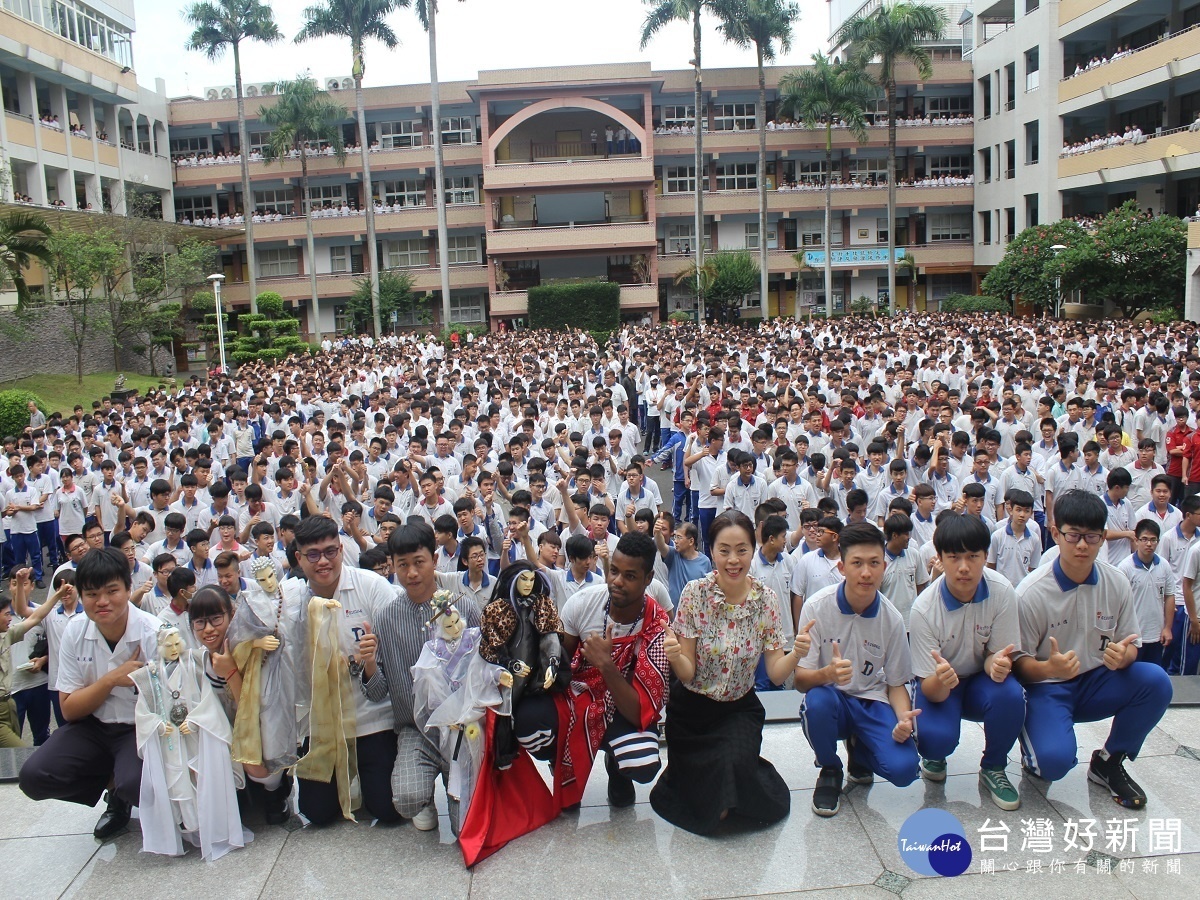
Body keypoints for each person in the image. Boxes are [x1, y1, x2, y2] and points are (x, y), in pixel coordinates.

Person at [650, 511, 810, 834]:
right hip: (692, 711)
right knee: (717, 807)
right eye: (724, 550)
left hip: (738, 708)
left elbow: (777, 675)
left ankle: (738, 772)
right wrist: (674, 655)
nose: (733, 560)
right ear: (712, 551)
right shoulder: (695, 594)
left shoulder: (765, 600)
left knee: (733, 772)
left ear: (754, 549)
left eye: (741, 550)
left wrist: (797, 654)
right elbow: (687, 672)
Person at [1014, 490, 1173, 808]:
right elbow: (1019, 665)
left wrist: (1121, 657)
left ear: (1103, 538)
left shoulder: (1116, 583)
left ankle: (1108, 762)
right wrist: (1049, 669)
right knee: (1052, 764)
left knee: (1155, 682)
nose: (1083, 545)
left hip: (1097, 681)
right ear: (1056, 534)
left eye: (1091, 536)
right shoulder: (1031, 592)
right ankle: (1036, 735)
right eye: (1073, 535)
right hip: (1047, 687)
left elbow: (1132, 645)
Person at [514, 531, 669, 809]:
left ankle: (618, 768)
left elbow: (639, 710)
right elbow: (560, 668)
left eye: (630, 576)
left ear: (648, 579)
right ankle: (561, 762)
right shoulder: (583, 604)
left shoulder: (657, 625)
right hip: (578, 697)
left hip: (623, 708)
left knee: (643, 759)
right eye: (615, 572)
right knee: (528, 723)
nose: (617, 582)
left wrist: (606, 666)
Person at [18, 547, 162, 839]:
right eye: (92, 594)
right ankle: (112, 785)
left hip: (139, 728)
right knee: (33, 777)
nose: (103, 601)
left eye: (112, 590)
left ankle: (122, 789)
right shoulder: (74, 630)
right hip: (93, 727)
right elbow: (69, 709)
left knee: (136, 785)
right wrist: (111, 680)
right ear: (81, 595)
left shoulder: (154, 633)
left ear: (128, 587)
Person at [796, 523, 919, 817]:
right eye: (857, 563)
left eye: (874, 563)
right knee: (816, 703)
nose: (866, 573)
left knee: (904, 771)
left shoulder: (891, 618)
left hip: (872, 701)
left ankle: (861, 748)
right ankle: (830, 768)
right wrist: (828, 674)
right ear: (842, 567)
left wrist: (904, 721)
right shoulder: (817, 607)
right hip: (832, 699)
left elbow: (897, 684)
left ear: (884, 566)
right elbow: (800, 680)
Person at [286, 515, 400, 826]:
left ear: (341, 549)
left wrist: (372, 660)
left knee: (387, 808)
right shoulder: (291, 599)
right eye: (313, 554)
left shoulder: (371, 587)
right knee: (317, 813)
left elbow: (399, 651)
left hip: (371, 716)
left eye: (330, 551)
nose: (323, 562)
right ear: (299, 558)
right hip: (323, 722)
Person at [368, 522, 481, 831]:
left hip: (461, 728)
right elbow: (377, 692)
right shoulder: (387, 618)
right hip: (415, 729)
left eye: (419, 562)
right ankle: (425, 799)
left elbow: (484, 668)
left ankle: (455, 788)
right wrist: (367, 664)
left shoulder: (463, 608)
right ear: (392, 566)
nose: (412, 573)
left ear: (434, 559)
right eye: (402, 565)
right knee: (405, 798)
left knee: (465, 828)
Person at [909, 515, 1025, 810]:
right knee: (935, 740)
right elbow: (930, 688)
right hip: (940, 685)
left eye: (973, 556)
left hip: (979, 681)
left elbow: (996, 655)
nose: (964, 567)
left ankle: (994, 767)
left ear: (986, 556)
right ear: (939, 559)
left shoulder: (1002, 592)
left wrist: (997, 665)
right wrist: (942, 681)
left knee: (1011, 693)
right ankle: (935, 754)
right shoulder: (924, 609)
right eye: (954, 557)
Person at [1115, 519, 1175, 667]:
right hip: (1133, 636)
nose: (1149, 544)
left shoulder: (1164, 566)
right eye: (1145, 539)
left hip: (1156, 634)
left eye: (1153, 540)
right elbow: (1117, 602)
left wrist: (1167, 628)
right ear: (1136, 540)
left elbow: (1169, 596)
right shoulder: (1125, 568)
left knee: (1153, 674)